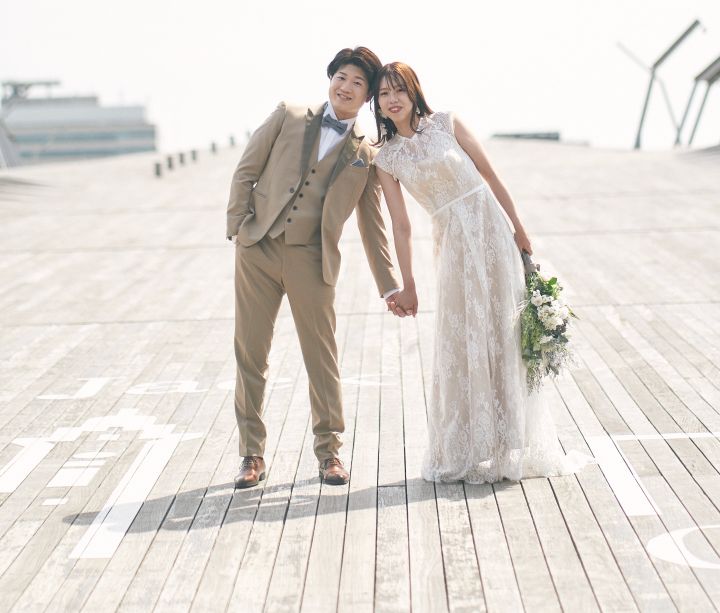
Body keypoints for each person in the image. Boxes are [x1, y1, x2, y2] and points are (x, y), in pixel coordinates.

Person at [373, 61, 593, 483]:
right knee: (464, 334)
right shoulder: (387, 159)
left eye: (399, 89)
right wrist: (409, 284)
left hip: (491, 229)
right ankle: (470, 446)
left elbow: (490, 175)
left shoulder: (446, 123)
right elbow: (399, 225)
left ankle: (512, 439)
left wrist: (520, 229)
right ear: (378, 105)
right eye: (384, 94)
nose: (393, 98)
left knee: (503, 330)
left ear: (414, 90)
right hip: (453, 241)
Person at [226, 46, 401, 489]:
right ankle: (251, 454)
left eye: (357, 83)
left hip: (312, 258)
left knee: (321, 358)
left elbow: (373, 227)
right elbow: (246, 170)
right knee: (250, 353)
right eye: (341, 77)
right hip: (259, 249)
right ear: (330, 80)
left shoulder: (367, 154)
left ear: (366, 98)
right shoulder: (288, 115)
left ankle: (330, 454)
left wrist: (390, 288)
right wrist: (238, 230)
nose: (346, 87)